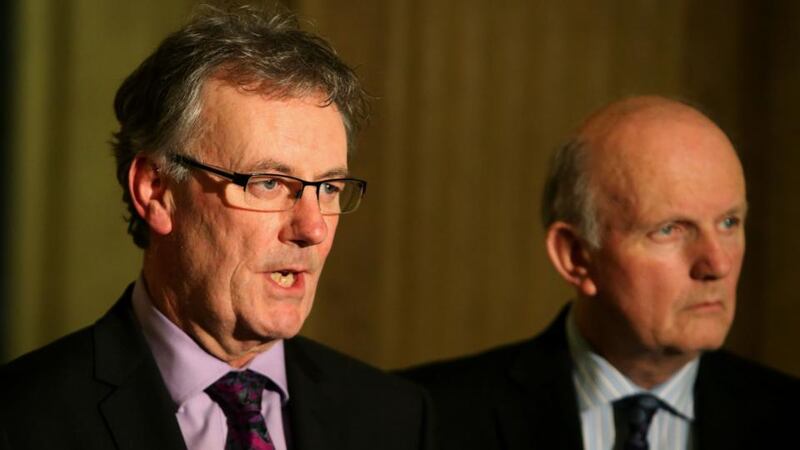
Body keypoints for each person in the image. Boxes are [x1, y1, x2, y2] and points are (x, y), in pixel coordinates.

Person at [0, 4, 432, 450]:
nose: (312, 228)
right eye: (268, 183)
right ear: (156, 190)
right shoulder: (23, 421)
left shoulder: (395, 419)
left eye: (328, 187)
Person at [403, 96, 800, 450]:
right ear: (575, 255)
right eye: (670, 230)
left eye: (729, 223)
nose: (718, 264)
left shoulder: (785, 418)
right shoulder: (425, 419)